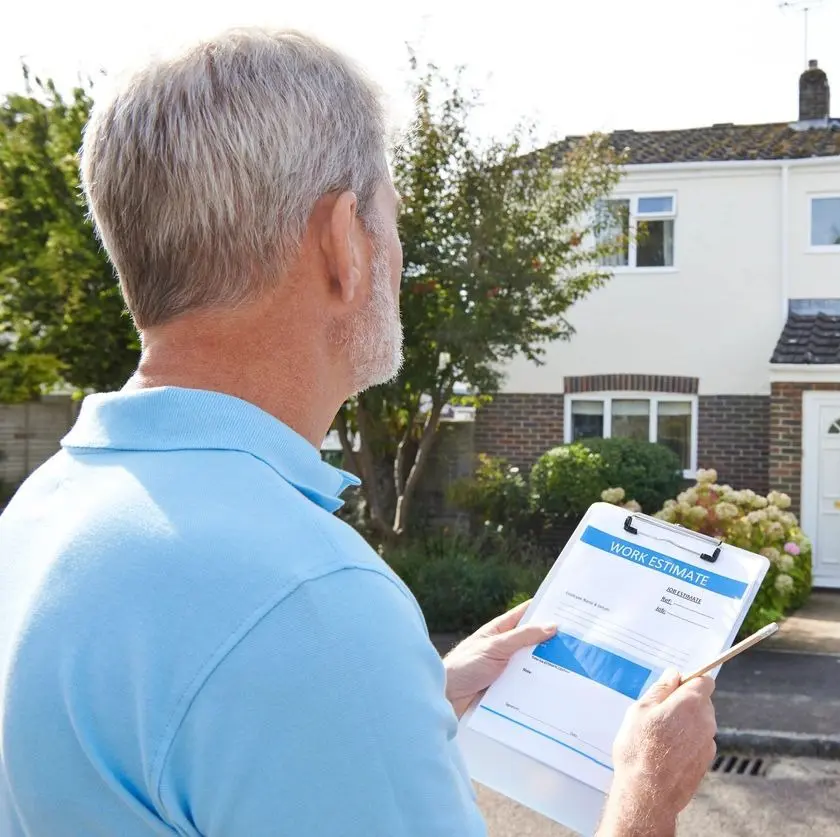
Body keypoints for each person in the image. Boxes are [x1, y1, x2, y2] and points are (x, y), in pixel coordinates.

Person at [0, 28, 716, 837]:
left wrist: (403, 697)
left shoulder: (42, 511)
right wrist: (646, 793)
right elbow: (272, 656)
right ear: (343, 240)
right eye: (391, 218)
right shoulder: (308, 606)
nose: (400, 254)